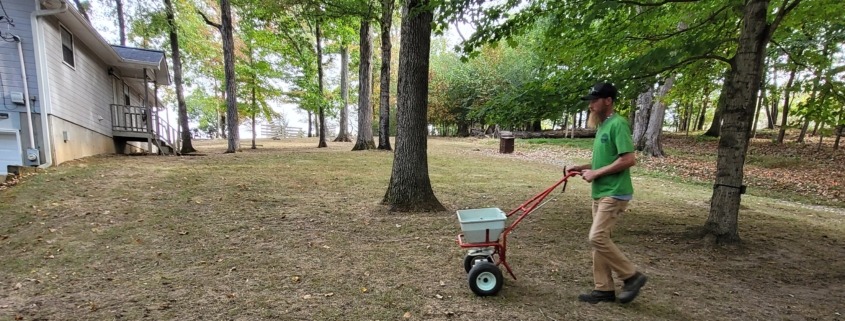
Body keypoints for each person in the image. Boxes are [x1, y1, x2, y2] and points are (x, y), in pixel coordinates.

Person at [568, 82, 647, 304]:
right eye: (590, 101)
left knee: (597, 236)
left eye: (594, 100)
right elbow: (603, 160)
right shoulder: (603, 126)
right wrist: (583, 168)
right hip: (601, 191)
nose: (590, 105)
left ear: (608, 101)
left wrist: (595, 174)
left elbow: (628, 159)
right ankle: (603, 289)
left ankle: (632, 276)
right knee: (600, 239)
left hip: (614, 192)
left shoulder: (618, 124)